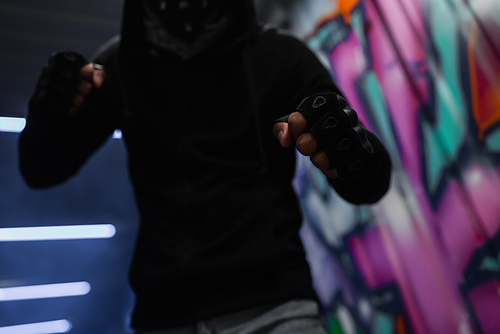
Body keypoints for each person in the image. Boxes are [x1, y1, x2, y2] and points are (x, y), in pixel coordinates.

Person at [19, 0, 392, 333]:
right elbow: (41, 169)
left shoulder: (279, 56)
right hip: (164, 317)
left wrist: (347, 148)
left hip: (274, 309)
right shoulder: (121, 67)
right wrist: (47, 113)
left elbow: (371, 183)